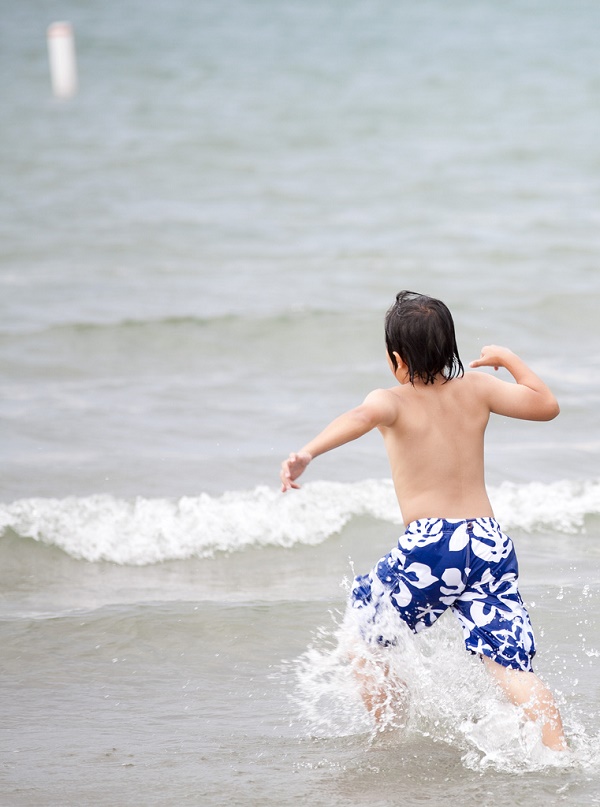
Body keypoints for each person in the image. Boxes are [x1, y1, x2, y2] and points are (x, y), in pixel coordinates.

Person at [280, 290, 567, 751]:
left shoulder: (390, 400)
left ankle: (389, 734)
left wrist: (307, 452)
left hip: (432, 545)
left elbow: (359, 416)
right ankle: (559, 751)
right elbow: (546, 405)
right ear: (451, 348)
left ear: (396, 359)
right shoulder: (479, 389)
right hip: (488, 543)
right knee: (510, 667)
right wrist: (509, 358)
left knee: (363, 631)